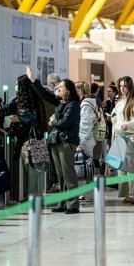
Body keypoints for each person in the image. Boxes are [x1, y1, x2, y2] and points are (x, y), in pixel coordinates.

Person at [47, 79, 81, 214]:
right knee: (60, 175)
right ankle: (62, 203)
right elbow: (45, 95)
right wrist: (33, 81)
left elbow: (65, 122)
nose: (58, 89)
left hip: (67, 142)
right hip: (57, 141)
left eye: (61, 87)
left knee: (68, 174)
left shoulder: (73, 105)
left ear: (68, 90)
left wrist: (53, 121)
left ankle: (73, 204)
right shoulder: (61, 103)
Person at [9, 75, 46, 195]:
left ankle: (34, 198)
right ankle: (37, 197)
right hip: (38, 139)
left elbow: (29, 119)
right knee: (36, 171)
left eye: (17, 85)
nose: (16, 87)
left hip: (29, 141)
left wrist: (18, 119)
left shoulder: (26, 103)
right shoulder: (37, 99)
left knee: (32, 171)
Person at [112, 76, 134, 204]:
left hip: (131, 134)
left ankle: (132, 194)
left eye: (124, 86)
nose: (122, 88)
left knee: (130, 166)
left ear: (130, 86)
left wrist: (128, 125)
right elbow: (116, 116)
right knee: (120, 167)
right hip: (119, 133)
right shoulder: (120, 100)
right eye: (120, 86)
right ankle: (125, 194)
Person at [76, 81, 101, 163]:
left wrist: (80, 145)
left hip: (85, 143)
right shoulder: (85, 104)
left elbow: (85, 126)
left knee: (84, 167)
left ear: (80, 91)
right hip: (86, 141)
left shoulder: (86, 106)